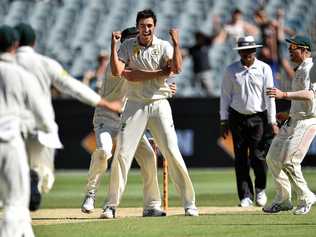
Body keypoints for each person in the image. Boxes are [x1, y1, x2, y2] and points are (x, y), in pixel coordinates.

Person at [101, 9, 198, 219]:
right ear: (137, 27)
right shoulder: (128, 45)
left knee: (172, 152)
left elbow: (177, 69)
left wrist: (177, 44)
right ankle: (110, 205)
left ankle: (189, 203)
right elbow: (120, 72)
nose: (146, 29)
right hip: (135, 105)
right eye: (143, 26)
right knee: (122, 154)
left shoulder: (163, 45)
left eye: (150, 26)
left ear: (155, 26)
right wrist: (113, 46)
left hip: (159, 104)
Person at [13, 23, 121, 211]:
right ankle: (34, 182)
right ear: (34, 42)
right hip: (42, 129)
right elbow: (73, 87)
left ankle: (23, 186)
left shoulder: (5, 64)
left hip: (11, 128)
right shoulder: (46, 63)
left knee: (14, 179)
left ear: (15, 43)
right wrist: (104, 103)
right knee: (41, 176)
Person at [81, 26, 176, 217]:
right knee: (103, 152)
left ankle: (151, 205)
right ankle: (91, 193)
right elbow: (135, 76)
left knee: (149, 157)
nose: (137, 47)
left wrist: (166, 89)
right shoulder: (116, 65)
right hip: (106, 118)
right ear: (124, 45)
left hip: (127, 121)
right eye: (132, 41)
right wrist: (163, 85)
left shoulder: (138, 61)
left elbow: (147, 86)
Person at [0, 25, 53, 237]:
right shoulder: (19, 73)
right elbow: (42, 115)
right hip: (10, 141)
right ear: (14, 46)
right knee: (15, 202)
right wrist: (47, 128)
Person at [220, 35, 278, 208]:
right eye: (243, 51)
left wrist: (272, 120)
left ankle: (260, 189)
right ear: (239, 52)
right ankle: (245, 195)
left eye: (249, 50)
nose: (247, 54)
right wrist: (223, 119)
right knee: (240, 159)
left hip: (258, 117)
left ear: (255, 50)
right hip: (237, 117)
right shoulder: (231, 70)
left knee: (258, 157)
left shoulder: (264, 68)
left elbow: (270, 96)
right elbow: (225, 96)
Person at [263, 36, 316, 215]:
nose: (289, 50)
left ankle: (306, 196)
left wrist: (283, 94)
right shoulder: (301, 69)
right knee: (272, 157)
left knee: (290, 161)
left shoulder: (311, 68)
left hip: (307, 121)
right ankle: (283, 199)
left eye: (293, 47)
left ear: (304, 50)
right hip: (294, 119)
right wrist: (288, 113)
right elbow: (303, 100)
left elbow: (310, 95)